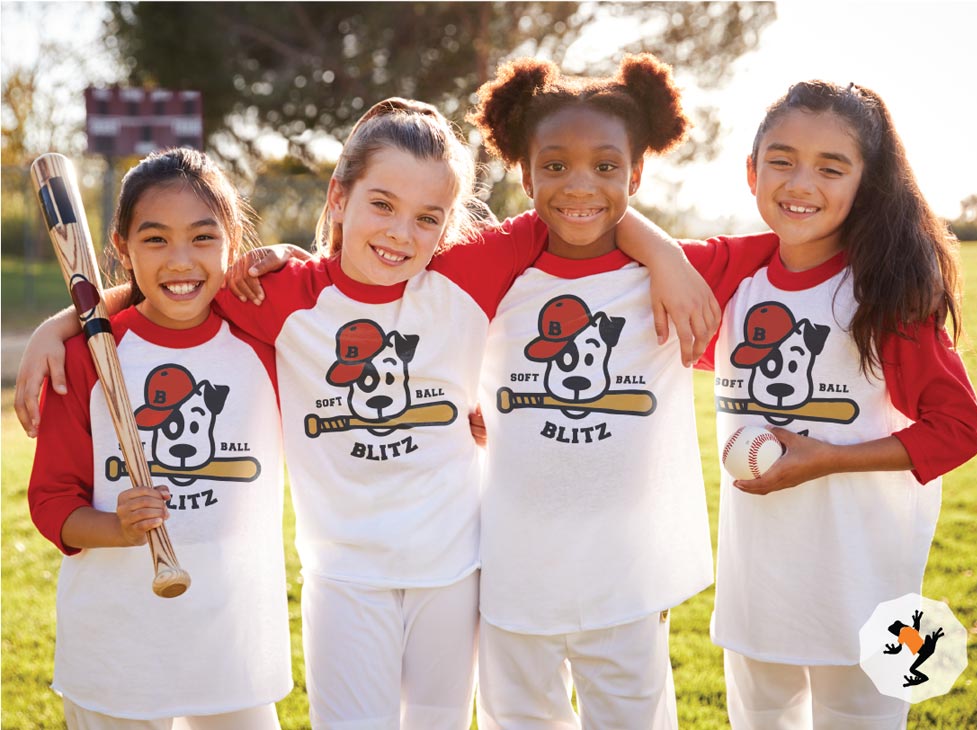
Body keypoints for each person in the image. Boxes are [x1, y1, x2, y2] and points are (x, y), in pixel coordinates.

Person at [15, 98, 717, 729]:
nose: (400, 233)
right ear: (339, 196)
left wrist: (664, 253)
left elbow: (578, 202)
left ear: (450, 222)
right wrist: (69, 323)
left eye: (427, 217)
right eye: (381, 205)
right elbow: (172, 288)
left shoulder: (465, 273)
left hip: (454, 570)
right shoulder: (282, 294)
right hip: (344, 578)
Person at [465, 54, 779, 729]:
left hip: (628, 579)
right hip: (513, 570)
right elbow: (384, 271)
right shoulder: (493, 269)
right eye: (555, 166)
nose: (580, 185)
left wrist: (662, 252)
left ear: (636, 172)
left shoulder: (685, 273)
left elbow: (808, 246)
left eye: (606, 167)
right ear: (524, 173)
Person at [704, 81, 977, 729]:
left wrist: (827, 457)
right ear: (751, 172)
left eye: (832, 167)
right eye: (782, 159)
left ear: (868, 183)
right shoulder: (734, 279)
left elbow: (960, 430)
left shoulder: (884, 294)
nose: (801, 181)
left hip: (867, 588)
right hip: (757, 592)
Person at [26, 148, 291, 729]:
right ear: (120, 249)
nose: (181, 261)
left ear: (232, 244)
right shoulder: (86, 356)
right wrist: (115, 528)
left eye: (202, 238)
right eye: (155, 240)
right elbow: (51, 503)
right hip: (118, 652)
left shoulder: (265, 343)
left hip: (232, 642)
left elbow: (337, 289)